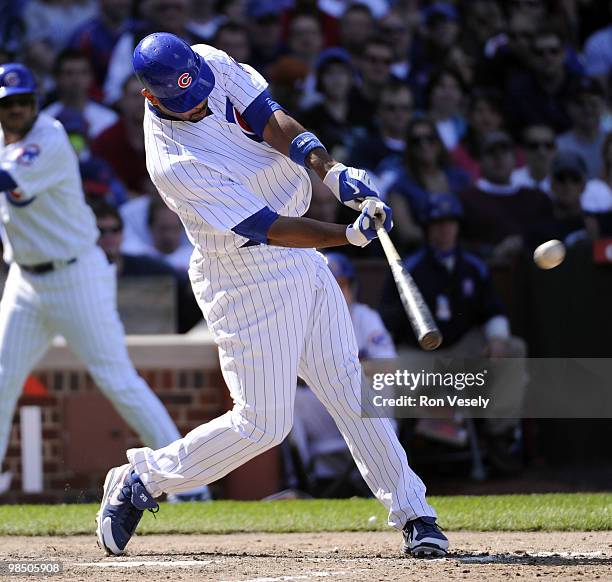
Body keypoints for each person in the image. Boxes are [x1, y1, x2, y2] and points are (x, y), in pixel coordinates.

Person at [96, 32, 448, 559]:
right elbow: (264, 227)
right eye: (185, 103)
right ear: (152, 97)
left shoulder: (208, 63)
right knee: (263, 424)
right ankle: (143, 478)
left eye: (200, 93)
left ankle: (415, 513)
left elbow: (270, 119)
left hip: (302, 258)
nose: (198, 105)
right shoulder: (172, 161)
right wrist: (346, 236)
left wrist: (333, 172)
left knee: (350, 391)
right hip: (244, 275)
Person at [0, 63, 210, 501]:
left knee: (117, 380)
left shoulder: (49, 137)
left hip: (75, 274)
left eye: (23, 101)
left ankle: (188, 485)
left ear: (35, 103)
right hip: (24, 278)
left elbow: (11, 183)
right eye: (8, 103)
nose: (17, 109)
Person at [380, 193, 528, 470]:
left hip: (462, 347)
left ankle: (501, 437)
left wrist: (498, 338)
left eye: (449, 223)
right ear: (426, 228)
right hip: (419, 353)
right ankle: (392, 456)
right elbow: (388, 319)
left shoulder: (473, 266)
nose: (444, 230)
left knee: (513, 347)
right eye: (437, 224)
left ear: (458, 226)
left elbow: (492, 309)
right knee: (387, 375)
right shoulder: (407, 268)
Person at [290, 252, 397, 497]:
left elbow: (388, 365)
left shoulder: (365, 317)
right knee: (289, 400)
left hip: (357, 401)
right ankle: (304, 481)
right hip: (320, 407)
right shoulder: (300, 321)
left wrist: (341, 372)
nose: (336, 292)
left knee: (382, 390)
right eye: (330, 285)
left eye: (342, 285)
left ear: (352, 288)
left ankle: (388, 478)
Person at [460, 131, 553, 261]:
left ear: (515, 159)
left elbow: (552, 237)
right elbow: (458, 243)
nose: (499, 158)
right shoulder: (466, 199)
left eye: (505, 151)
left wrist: (524, 243)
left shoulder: (537, 198)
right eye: (491, 152)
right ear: (480, 160)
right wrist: (491, 251)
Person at [42, 49, 118, 140]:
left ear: (91, 77)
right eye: (69, 73)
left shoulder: (109, 120)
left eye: (83, 73)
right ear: (57, 78)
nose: (76, 79)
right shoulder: (44, 120)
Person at [556, 77, 609, 180]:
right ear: (568, 107)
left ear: (603, 105)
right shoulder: (558, 146)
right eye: (580, 104)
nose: (587, 109)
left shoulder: (609, 142)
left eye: (593, 104)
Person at [511, 124, 557, 195]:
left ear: (555, 150)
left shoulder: (564, 185)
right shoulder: (511, 180)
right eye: (534, 146)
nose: (542, 152)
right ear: (524, 150)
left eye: (548, 145)